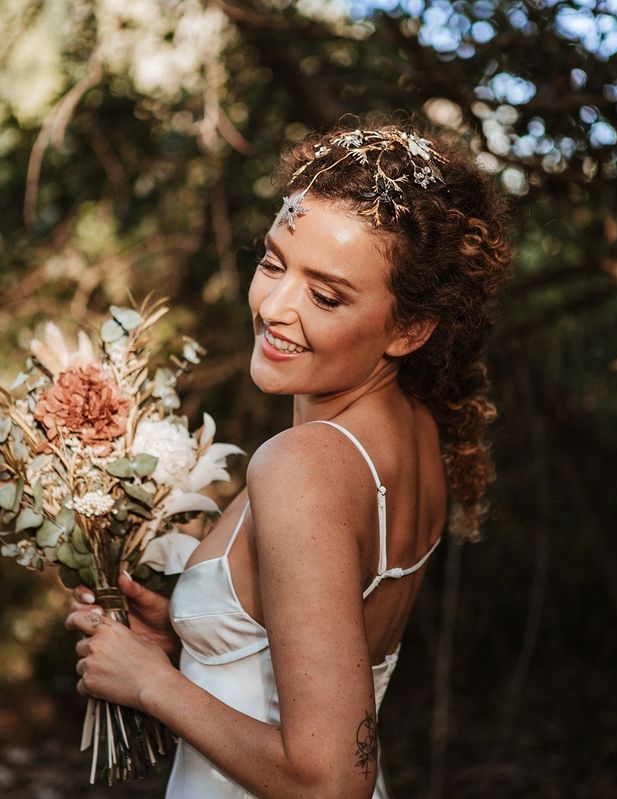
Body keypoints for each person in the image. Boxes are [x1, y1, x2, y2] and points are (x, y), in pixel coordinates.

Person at [65, 121, 511, 798]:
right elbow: (315, 653)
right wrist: (187, 640)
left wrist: (151, 683)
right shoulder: (414, 429)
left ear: (410, 329)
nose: (275, 307)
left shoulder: (304, 464)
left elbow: (332, 780)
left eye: (326, 296)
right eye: (273, 263)